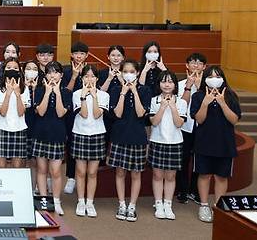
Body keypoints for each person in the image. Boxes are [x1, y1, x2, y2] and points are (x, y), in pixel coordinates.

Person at [190, 66, 241, 223]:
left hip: (224, 143)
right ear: (205, 78)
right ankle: (204, 205)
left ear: (223, 78)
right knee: (204, 174)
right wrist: (205, 103)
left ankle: (219, 207)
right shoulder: (198, 96)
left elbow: (234, 120)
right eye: (210, 76)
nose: (214, 78)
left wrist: (222, 103)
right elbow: (199, 119)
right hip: (204, 143)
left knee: (221, 176)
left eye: (217, 76)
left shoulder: (231, 96)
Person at [108, 59, 152, 222]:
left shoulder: (145, 90)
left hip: (138, 136)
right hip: (120, 135)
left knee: (136, 174)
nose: (128, 74)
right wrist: (123, 93)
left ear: (138, 73)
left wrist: (134, 92)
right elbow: (117, 114)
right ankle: (122, 204)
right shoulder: (115, 90)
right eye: (125, 71)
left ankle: (132, 205)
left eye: (132, 71)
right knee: (120, 172)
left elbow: (142, 113)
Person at [31, 61, 71, 216]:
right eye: (49, 72)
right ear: (45, 75)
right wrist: (48, 92)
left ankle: (56, 200)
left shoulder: (66, 92)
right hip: (40, 134)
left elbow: (61, 113)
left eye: (56, 72)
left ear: (61, 75)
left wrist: (58, 92)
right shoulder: (39, 90)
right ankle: (44, 201)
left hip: (57, 135)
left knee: (55, 171)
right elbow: (40, 112)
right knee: (41, 169)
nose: (52, 75)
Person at [148, 69, 188, 220]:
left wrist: (172, 106)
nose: (167, 84)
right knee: (158, 175)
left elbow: (179, 123)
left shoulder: (182, 102)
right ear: (159, 84)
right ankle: (158, 204)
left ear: (175, 85)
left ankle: (168, 204)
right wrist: (163, 106)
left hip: (175, 142)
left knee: (171, 176)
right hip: (157, 141)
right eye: (164, 81)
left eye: (170, 81)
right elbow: (154, 122)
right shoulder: (154, 100)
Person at [71, 65, 109, 218]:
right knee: (80, 171)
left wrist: (94, 96)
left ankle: (90, 202)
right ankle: (81, 201)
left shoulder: (103, 95)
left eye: (92, 76)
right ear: (82, 78)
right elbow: (85, 114)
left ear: (97, 79)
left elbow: (97, 114)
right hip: (80, 133)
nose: (89, 79)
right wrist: (83, 97)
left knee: (92, 172)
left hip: (97, 135)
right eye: (86, 76)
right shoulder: (76, 94)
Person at [176, 53, 206, 204]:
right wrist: (189, 86)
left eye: (200, 63)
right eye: (193, 63)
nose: (196, 65)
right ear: (187, 65)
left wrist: (200, 87)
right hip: (185, 127)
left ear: (204, 67)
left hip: (203, 128)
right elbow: (181, 106)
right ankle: (182, 190)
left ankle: (195, 190)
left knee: (199, 159)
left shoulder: (209, 86)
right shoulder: (180, 84)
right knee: (183, 159)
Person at [62, 42, 89, 195]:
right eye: (76, 53)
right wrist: (73, 76)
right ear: (71, 55)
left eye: (82, 53)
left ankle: (84, 178)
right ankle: (71, 177)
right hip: (70, 114)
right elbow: (66, 92)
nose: (79, 56)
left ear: (86, 55)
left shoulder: (90, 70)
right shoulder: (65, 70)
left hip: (88, 114)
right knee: (72, 144)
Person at [0, 58, 30, 169]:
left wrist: (18, 94)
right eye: (9, 68)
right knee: (1, 166)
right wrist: (8, 94)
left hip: (19, 129)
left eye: (15, 68)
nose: (12, 70)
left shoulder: (25, 89)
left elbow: (21, 113)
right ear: (4, 70)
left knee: (17, 167)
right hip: (1, 128)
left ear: (20, 70)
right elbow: (3, 112)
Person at [23, 60, 41, 193]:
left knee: (34, 161)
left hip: (36, 127)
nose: (31, 70)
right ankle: (22, 187)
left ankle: (33, 189)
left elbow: (37, 108)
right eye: (28, 68)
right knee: (21, 160)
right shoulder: (18, 85)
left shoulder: (41, 87)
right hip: (21, 126)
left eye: (34, 68)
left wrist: (34, 90)